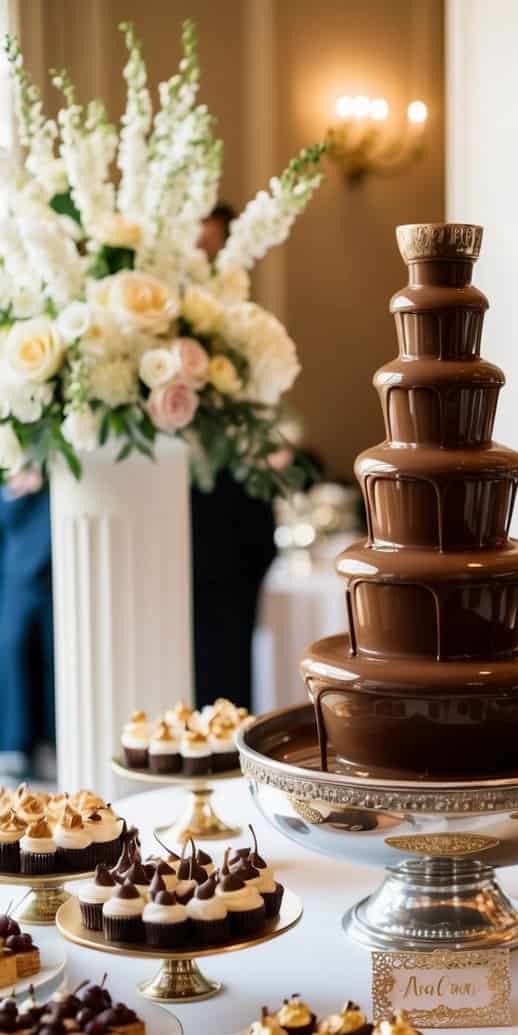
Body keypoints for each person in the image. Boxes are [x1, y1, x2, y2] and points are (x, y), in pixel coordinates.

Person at [191, 204, 276, 708]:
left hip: (236, 518)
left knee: (230, 660)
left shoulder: (244, 326)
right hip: (188, 518)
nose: (207, 257)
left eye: (215, 248)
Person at [0, 472, 55, 779]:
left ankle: (55, 741)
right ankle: (16, 746)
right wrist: (14, 489)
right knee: (15, 647)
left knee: (59, 656)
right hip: (22, 563)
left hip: (66, 559)